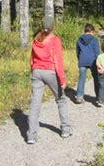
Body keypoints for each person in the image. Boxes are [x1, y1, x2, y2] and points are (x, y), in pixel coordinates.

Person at [27, 16, 72, 144]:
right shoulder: (55, 40)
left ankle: (31, 135)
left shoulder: (36, 39)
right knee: (61, 100)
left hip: (36, 71)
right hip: (51, 72)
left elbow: (31, 58)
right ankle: (65, 129)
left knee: (35, 103)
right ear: (53, 27)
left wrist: (33, 70)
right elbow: (58, 61)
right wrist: (62, 80)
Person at [75, 23, 100, 104]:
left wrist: (80, 59)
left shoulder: (79, 39)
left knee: (82, 78)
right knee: (96, 78)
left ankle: (79, 97)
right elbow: (97, 52)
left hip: (82, 60)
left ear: (85, 31)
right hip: (93, 61)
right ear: (92, 31)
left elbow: (77, 52)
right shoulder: (94, 40)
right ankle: (99, 97)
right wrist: (98, 62)